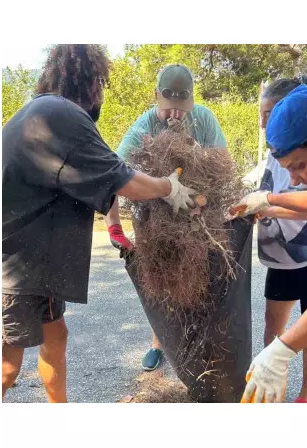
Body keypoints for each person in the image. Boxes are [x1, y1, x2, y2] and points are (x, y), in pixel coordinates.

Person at [2, 45, 198, 402]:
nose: (102, 96)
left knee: (55, 337)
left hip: (35, 263)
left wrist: (115, 222)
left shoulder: (42, 111)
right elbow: (122, 178)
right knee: (6, 366)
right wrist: (168, 186)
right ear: (91, 82)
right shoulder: (59, 113)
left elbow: (93, 180)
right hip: (11, 265)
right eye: (102, 86)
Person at [103, 63, 228, 371]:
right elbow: (111, 174)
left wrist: (201, 200)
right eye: (168, 109)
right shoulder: (144, 125)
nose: (174, 115)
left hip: (197, 218)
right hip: (153, 218)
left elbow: (222, 167)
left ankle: (199, 342)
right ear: (157, 98)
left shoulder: (205, 120)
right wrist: (114, 225)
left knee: (200, 278)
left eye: (181, 109)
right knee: (159, 280)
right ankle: (159, 342)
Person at [232, 84, 307, 403]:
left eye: (299, 166)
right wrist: (267, 201)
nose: (293, 180)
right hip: (280, 262)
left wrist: (282, 351)